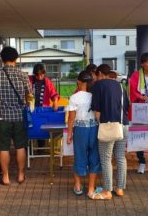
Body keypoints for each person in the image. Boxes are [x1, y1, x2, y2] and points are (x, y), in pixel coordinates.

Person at [0, 47, 33, 185]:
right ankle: (20, 175)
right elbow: (29, 95)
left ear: (2, 59)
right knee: (20, 146)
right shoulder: (23, 75)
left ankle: (5, 177)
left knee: (4, 148)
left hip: (2, 117)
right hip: (19, 117)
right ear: (16, 59)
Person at [91, 64, 129, 200]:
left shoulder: (98, 86)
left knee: (106, 158)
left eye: (96, 75)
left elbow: (96, 110)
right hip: (123, 125)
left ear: (100, 73)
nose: (95, 78)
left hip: (108, 126)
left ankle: (107, 191)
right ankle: (119, 189)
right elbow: (127, 107)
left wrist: (100, 121)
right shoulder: (120, 86)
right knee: (120, 157)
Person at [66, 71, 101, 199]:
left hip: (80, 130)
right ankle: (91, 189)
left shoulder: (74, 97)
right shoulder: (94, 95)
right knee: (94, 158)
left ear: (78, 82)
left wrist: (69, 134)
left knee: (79, 157)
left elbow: (71, 118)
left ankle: (78, 186)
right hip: (94, 129)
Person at [29, 63, 60, 151]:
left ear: (44, 73)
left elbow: (54, 94)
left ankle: (41, 148)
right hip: (31, 110)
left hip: (43, 110)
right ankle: (29, 149)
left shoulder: (47, 82)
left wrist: (55, 102)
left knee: (41, 128)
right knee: (30, 129)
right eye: (37, 75)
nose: (39, 77)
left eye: (41, 74)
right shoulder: (29, 80)